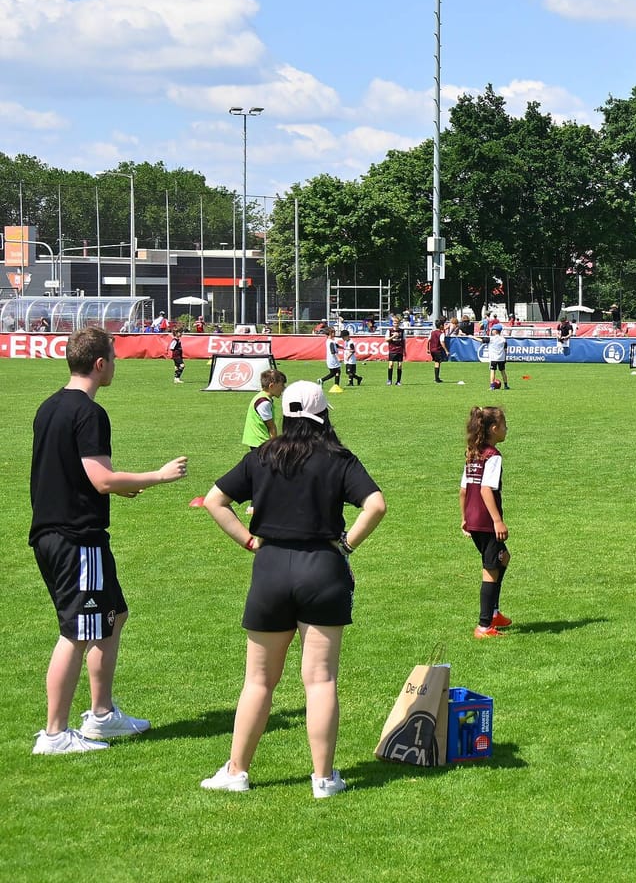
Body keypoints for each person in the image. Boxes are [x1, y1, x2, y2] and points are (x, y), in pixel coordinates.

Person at [198, 381, 386, 797]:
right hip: (322, 568)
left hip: (270, 570)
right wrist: (347, 544)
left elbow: (214, 500)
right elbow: (376, 504)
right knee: (319, 680)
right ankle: (323, 779)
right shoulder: (339, 458)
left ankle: (236, 771)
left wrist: (248, 540)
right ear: (323, 416)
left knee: (258, 681)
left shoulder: (262, 456)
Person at [29, 328, 190, 755]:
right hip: (77, 538)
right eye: (114, 358)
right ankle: (55, 734)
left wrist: (120, 487)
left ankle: (102, 717)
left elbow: (77, 474)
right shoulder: (89, 413)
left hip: (54, 532)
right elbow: (100, 479)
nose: (115, 365)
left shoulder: (48, 407)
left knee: (113, 615)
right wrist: (157, 476)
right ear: (100, 364)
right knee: (76, 632)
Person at [462, 406, 513, 638]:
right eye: (504, 425)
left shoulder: (473, 452)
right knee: (490, 568)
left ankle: (493, 612)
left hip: (473, 518)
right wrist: (497, 521)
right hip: (485, 520)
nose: (506, 429)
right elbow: (485, 489)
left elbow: (463, 489)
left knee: (503, 558)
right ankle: (484, 626)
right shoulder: (493, 456)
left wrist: (464, 517)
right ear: (494, 429)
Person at [242, 369, 288, 450]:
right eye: (282, 385)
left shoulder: (262, 397)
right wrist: (274, 446)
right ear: (271, 386)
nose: (283, 388)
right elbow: (271, 427)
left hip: (258, 441)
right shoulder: (263, 402)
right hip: (261, 442)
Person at [428, 317, 449, 383]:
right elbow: (442, 342)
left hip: (432, 349)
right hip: (437, 350)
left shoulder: (432, 332)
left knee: (436, 362)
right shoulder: (441, 333)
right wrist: (446, 350)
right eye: (443, 325)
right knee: (437, 363)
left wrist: (428, 349)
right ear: (441, 326)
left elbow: (428, 340)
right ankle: (436, 378)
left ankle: (437, 378)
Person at [384, 321, 405, 386]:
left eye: (397, 323)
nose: (396, 324)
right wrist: (393, 336)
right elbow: (386, 340)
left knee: (400, 365)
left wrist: (404, 350)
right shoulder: (389, 331)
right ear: (393, 324)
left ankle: (398, 381)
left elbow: (404, 340)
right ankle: (389, 380)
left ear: (399, 324)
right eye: (395, 323)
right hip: (392, 349)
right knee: (391, 365)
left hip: (399, 350)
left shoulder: (402, 331)